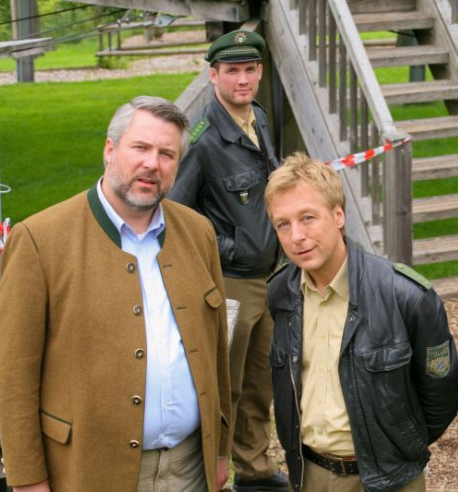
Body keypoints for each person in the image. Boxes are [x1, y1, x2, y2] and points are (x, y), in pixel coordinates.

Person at [0, 96, 231, 491]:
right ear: (110, 149)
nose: (152, 163)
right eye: (140, 147)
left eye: (167, 154)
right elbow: (13, 374)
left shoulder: (198, 232)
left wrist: (220, 449)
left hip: (189, 469)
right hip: (88, 472)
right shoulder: (40, 240)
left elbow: (215, 348)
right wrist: (28, 479)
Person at [264, 152, 458, 492]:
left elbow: (440, 395)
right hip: (309, 475)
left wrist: (397, 449)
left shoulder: (405, 296)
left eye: (308, 218)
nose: (296, 235)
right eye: (283, 224)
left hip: (389, 480)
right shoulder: (281, 292)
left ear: (338, 215)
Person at [168, 30, 287, 491]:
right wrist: (231, 248)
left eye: (250, 69)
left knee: (260, 382)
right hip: (230, 282)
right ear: (213, 75)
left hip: (268, 277)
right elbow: (175, 217)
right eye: (232, 71)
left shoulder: (258, 117)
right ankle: (213, 474)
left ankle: (254, 470)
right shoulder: (202, 141)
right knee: (225, 386)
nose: (243, 80)